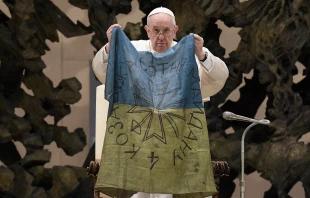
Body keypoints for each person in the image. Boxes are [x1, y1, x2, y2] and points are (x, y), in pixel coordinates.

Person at [92, 7, 229, 198]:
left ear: (175, 30)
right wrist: (109, 47)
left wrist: (202, 54)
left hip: (180, 134)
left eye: (166, 31)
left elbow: (219, 77)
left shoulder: (188, 54)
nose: (161, 36)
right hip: (139, 138)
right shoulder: (132, 50)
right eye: (156, 30)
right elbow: (102, 71)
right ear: (147, 30)